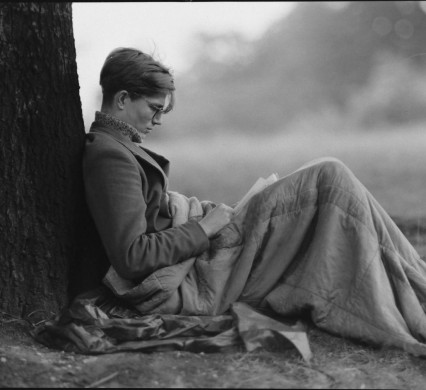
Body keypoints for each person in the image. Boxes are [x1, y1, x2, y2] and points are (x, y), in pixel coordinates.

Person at [81, 47, 426, 356]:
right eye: (154, 109)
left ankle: (417, 283)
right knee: (329, 179)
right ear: (123, 99)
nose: (157, 121)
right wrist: (203, 227)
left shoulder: (117, 146)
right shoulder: (109, 156)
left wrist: (204, 218)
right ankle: (416, 291)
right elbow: (132, 256)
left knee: (330, 181)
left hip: (199, 250)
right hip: (190, 273)